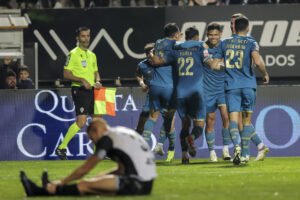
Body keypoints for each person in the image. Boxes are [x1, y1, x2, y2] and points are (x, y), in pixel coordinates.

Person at [20, 118, 157, 197]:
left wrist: (62, 181)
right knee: (91, 184)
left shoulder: (107, 138)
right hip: (144, 183)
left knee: (85, 186)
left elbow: (85, 168)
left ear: (97, 131)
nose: (94, 143)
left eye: (92, 139)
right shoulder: (120, 133)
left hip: (136, 183)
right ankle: (47, 189)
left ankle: (45, 191)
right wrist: (98, 178)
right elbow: (122, 170)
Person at [151, 26, 221, 164]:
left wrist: (153, 52)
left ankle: (184, 155)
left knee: (184, 125)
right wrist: (223, 63)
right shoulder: (201, 49)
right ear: (197, 37)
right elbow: (212, 65)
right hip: (196, 93)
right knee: (199, 125)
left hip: (180, 94)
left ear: (186, 37)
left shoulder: (176, 50)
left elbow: (156, 61)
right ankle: (192, 138)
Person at [217, 16, 269, 164]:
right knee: (246, 121)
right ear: (247, 27)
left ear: (234, 26)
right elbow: (258, 62)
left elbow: (216, 64)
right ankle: (247, 154)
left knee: (234, 120)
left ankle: (238, 147)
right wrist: (265, 74)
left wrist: (223, 65)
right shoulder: (251, 42)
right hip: (248, 85)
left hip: (232, 86)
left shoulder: (225, 43)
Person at [55, 26, 102, 160]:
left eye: (88, 36)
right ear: (77, 38)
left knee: (97, 120)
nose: (86, 38)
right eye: (83, 36)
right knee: (81, 122)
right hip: (80, 90)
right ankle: (61, 148)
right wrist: (81, 80)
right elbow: (66, 74)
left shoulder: (92, 55)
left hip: (93, 90)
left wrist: (98, 81)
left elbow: (95, 72)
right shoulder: (72, 54)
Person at [141, 23, 181, 162]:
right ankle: (170, 148)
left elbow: (156, 58)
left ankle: (144, 149)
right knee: (170, 120)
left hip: (156, 85)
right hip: (170, 87)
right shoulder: (177, 45)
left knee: (152, 117)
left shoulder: (157, 43)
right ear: (176, 34)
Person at [136, 43, 176, 162]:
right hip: (153, 93)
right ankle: (142, 147)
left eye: (151, 52)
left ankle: (170, 149)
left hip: (169, 92)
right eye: (147, 53)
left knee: (169, 124)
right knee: (147, 116)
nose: (149, 55)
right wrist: (142, 83)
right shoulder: (142, 65)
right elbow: (138, 75)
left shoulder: (164, 62)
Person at [202, 23, 231, 162]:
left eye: (216, 35)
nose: (213, 37)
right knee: (210, 120)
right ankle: (212, 152)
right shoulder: (203, 47)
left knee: (226, 117)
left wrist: (221, 64)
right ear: (207, 35)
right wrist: (224, 64)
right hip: (207, 90)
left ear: (220, 35)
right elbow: (211, 65)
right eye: (211, 35)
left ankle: (226, 150)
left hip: (223, 89)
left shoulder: (224, 45)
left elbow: (229, 62)